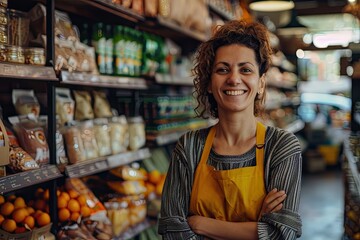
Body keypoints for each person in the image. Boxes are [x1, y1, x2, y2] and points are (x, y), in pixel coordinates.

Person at [158, 20, 302, 240]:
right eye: (223, 69)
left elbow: (282, 233)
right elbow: (172, 231)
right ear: (208, 83)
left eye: (245, 69)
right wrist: (255, 228)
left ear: (261, 83)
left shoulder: (281, 146)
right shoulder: (189, 146)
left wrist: (200, 223)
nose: (234, 79)